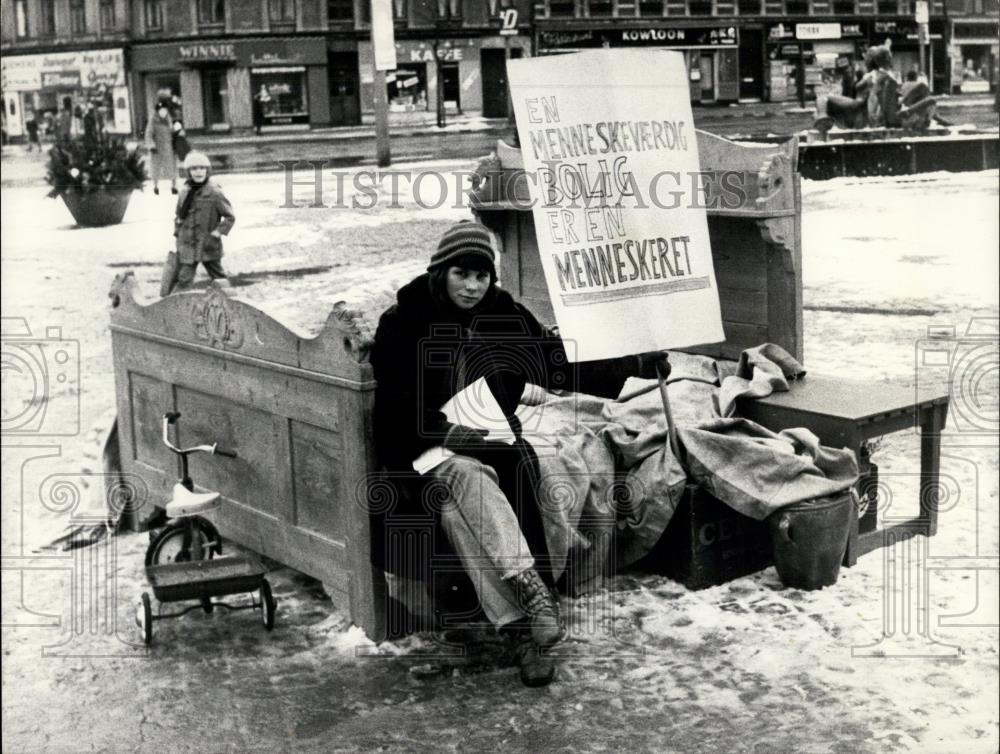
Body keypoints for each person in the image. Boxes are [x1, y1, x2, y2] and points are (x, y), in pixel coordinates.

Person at [371, 220, 660, 687]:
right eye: (462, 274)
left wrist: (634, 365)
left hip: (491, 449)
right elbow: (397, 415)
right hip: (419, 452)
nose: (472, 286)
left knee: (465, 499)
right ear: (441, 271)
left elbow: (555, 360)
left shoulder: (500, 314)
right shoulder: (403, 323)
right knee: (461, 476)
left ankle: (522, 619)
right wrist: (455, 436)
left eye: (482, 276)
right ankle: (531, 604)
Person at [170, 151, 235, 293]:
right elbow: (178, 215)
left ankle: (231, 305)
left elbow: (230, 217)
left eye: (202, 168)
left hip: (207, 244)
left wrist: (217, 233)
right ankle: (175, 311)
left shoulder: (214, 193)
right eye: (194, 169)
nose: (198, 172)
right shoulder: (184, 192)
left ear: (208, 170)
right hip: (188, 245)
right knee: (183, 280)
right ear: (188, 172)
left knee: (219, 279)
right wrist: (178, 235)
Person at [145, 104, 177, 195]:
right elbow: (148, 134)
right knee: (156, 167)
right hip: (157, 148)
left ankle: (174, 186)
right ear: (157, 111)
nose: (164, 112)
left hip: (168, 147)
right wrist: (151, 145)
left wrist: (177, 137)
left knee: (172, 167)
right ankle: (155, 186)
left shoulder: (168, 120)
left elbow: (173, 132)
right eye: (161, 110)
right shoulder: (153, 120)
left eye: (165, 110)